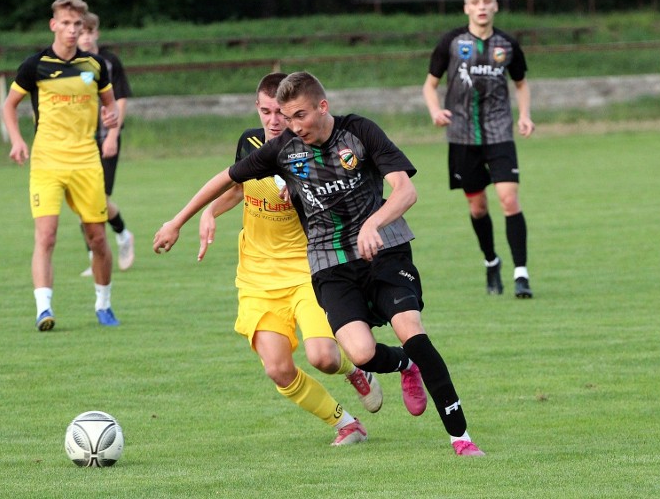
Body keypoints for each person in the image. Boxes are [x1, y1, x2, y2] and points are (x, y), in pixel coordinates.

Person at [154, 71, 485, 456]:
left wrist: (374, 222)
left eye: (298, 116)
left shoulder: (359, 131)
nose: (291, 126)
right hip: (330, 262)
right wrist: (178, 221)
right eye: (284, 117)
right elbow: (226, 178)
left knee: (411, 328)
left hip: (383, 249)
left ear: (322, 107)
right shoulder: (283, 150)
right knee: (359, 353)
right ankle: (403, 365)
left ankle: (461, 438)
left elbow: (405, 190)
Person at [195, 72, 382, 446]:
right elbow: (236, 186)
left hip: (306, 267)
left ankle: (353, 369)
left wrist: (298, 191)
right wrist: (209, 212)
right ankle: (346, 423)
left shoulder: (309, 148)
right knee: (278, 369)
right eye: (266, 111)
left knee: (324, 358)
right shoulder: (249, 143)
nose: (273, 120)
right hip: (256, 276)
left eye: (280, 112)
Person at [2, 0, 122, 331]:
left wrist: (111, 121)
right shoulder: (35, 65)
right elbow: (9, 106)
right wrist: (16, 139)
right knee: (47, 236)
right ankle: (44, 309)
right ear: (54, 25)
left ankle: (103, 303)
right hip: (47, 161)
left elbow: (109, 106)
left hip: (86, 161)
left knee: (97, 238)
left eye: (77, 25)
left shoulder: (94, 67)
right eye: (66, 24)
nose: (72, 30)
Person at [422, 0, 536, 299]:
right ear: (466, 8)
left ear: (496, 6)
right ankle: (491, 261)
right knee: (477, 207)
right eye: (476, 3)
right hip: (461, 136)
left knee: (509, 200)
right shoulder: (452, 42)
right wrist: (435, 111)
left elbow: (522, 84)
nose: (482, 7)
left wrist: (524, 115)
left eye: (487, 1)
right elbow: (429, 85)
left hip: (499, 132)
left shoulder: (508, 45)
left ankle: (521, 274)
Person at [77, 11, 134, 277]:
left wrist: (113, 134)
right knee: (82, 199)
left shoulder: (109, 62)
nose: (85, 38)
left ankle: (123, 234)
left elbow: (120, 99)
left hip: (105, 137)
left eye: (89, 32)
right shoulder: (70, 64)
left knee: (98, 197)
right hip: (78, 141)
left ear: (96, 33)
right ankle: (94, 256)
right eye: (81, 32)